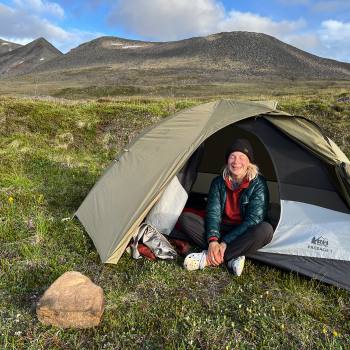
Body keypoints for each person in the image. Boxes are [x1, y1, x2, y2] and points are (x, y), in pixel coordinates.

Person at [172, 138, 273, 275]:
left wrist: (224, 242)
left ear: (249, 162)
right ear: (227, 161)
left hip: (244, 231)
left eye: (242, 157)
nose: (236, 162)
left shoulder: (258, 184)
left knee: (265, 230)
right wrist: (213, 240)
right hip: (222, 227)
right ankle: (233, 255)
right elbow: (213, 213)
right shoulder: (218, 182)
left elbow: (253, 220)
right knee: (185, 219)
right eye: (232, 156)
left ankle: (208, 258)